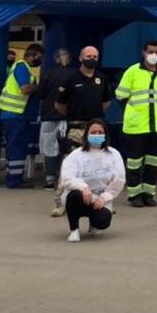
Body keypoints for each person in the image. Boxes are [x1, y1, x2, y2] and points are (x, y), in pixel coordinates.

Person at [53, 46, 113, 216]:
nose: (91, 59)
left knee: (102, 166)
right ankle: (60, 202)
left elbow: (106, 103)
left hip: (96, 130)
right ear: (80, 58)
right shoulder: (70, 79)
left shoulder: (102, 78)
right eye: (88, 56)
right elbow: (59, 104)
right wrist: (75, 116)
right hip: (76, 128)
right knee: (69, 165)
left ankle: (103, 201)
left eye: (95, 56)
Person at [113, 40, 157, 208]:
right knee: (134, 162)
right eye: (150, 52)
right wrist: (131, 112)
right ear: (143, 52)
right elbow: (121, 95)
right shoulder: (133, 71)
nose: (153, 55)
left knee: (153, 162)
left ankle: (149, 194)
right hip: (137, 126)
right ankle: (134, 195)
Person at [58, 119, 125, 243]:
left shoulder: (114, 154)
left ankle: (94, 224)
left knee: (103, 221)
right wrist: (83, 187)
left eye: (100, 132)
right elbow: (67, 177)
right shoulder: (76, 155)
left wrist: (104, 198)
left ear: (105, 135)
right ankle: (74, 230)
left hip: (100, 200)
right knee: (74, 195)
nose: (97, 135)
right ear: (87, 134)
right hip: (80, 196)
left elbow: (119, 180)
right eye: (93, 132)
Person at [0, 43, 44, 189]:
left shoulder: (26, 69)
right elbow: (25, 89)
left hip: (18, 116)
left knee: (18, 147)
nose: (39, 60)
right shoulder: (22, 67)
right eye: (39, 57)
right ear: (31, 55)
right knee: (16, 147)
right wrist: (41, 87)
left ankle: (14, 177)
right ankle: (14, 180)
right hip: (14, 115)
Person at [37, 47, 75, 189]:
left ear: (55, 59)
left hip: (49, 116)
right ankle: (64, 178)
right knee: (67, 148)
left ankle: (49, 180)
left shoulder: (48, 74)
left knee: (49, 149)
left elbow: (40, 93)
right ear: (70, 58)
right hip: (68, 116)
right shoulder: (74, 74)